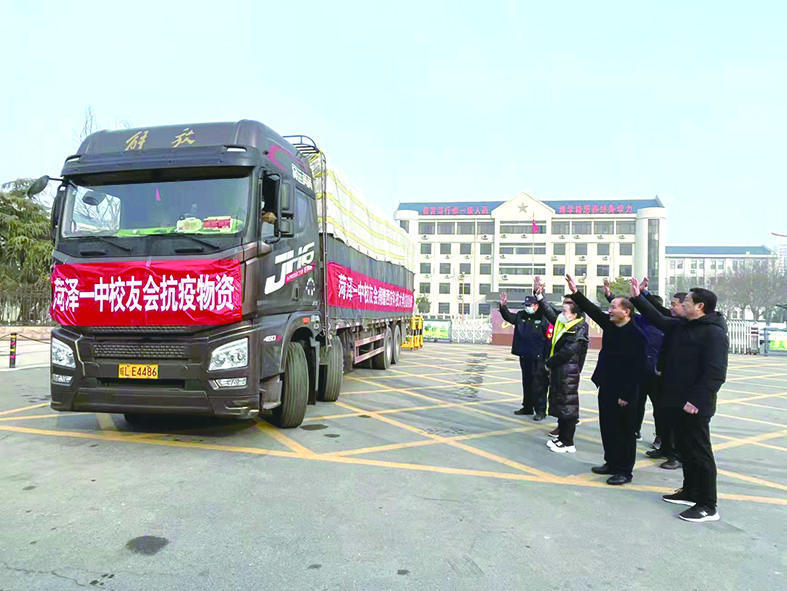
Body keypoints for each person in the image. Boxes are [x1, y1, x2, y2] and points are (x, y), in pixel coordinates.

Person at [630, 280, 728, 523]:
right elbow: (657, 318)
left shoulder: (713, 333)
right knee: (684, 450)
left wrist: (697, 400)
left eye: (687, 301)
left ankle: (708, 504)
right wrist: (638, 297)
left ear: (700, 306)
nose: (682, 304)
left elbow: (716, 372)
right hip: (675, 400)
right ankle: (690, 491)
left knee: (700, 453)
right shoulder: (683, 325)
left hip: (695, 404)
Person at [564, 274, 647, 485]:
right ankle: (610, 462)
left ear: (626, 311)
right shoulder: (610, 326)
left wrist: (626, 395)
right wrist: (576, 293)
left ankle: (624, 470)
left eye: (613, 307)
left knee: (624, 431)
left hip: (625, 391)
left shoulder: (636, 335)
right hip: (607, 385)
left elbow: (638, 369)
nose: (609, 311)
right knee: (608, 427)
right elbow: (592, 310)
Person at [602, 279, 664, 445]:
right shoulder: (639, 321)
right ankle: (635, 429)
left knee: (659, 406)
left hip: (656, 373)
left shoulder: (665, 325)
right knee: (638, 403)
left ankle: (660, 435)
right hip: (642, 371)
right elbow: (624, 309)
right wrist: (609, 296)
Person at [638, 278, 687, 470]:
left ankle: (677, 455)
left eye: (675, 304)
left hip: (680, 383)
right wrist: (643, 295)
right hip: (663, 377)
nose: (671, 307)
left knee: (677, 421)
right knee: (662, 414)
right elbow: (657, 311)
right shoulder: (675, 321)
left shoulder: (689, 326)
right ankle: (665, 448)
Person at [535, 283, 589, 453]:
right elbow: (549, 312)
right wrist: (539, 296)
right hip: (559, 370)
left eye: (568, 304)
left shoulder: (579, 327)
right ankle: (562, 437)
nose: (564, 307)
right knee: (562, 404)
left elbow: (568, 351)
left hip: (568, 371)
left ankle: (568, 442)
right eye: (564, 304)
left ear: (576, 310)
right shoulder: (563, 322)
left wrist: (549, 363)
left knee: (568, 407)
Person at [499, 292, 550, 420]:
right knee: (527, 383)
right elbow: (509, 317)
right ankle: (527, 407)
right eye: (526, 305)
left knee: (539, 384)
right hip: (525, 355)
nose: (527, 307)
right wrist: (503, 306)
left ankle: (540, 411)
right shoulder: (521, 315)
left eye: (530, 305)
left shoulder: (543, 317)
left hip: (539, 357)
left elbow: (549, 337)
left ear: (537, 305)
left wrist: (547, 357)